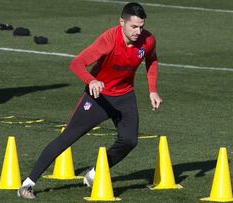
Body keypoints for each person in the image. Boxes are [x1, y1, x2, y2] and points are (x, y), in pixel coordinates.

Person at [17, 2, 162, 199]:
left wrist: (152, 90)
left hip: (125, 96)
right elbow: (76, 63)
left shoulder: (148, 40)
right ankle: (28, 183)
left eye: (141, 26)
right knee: (68, 137)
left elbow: (152, 59)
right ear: (122, 22)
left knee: (129, 140)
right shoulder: (108, 40)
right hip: (98, 97)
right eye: (133, 26)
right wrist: (91, 80)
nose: (138, 31)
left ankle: (94, 174)